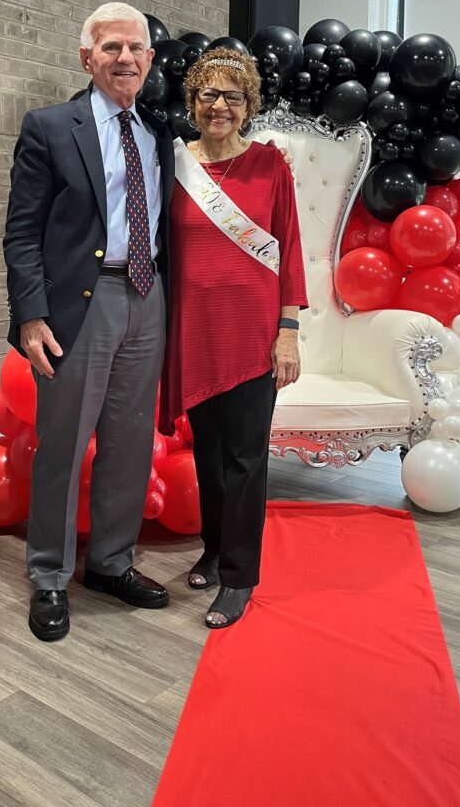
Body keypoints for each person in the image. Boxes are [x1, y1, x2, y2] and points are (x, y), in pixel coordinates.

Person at [3, 2, 173, 642]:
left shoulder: (158, 136)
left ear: (150, 60)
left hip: (146, 296)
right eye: (110, 49)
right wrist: (30, 315)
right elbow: (21, 233)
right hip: (78, 304)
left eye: (135, 48)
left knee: (130, 445)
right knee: (64, 445)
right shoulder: (50, 126)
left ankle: (110, 564)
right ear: (87, 58)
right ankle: (49, 576)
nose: (124, 58)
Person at [159, 47, 307, 629]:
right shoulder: (173, 165)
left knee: (246, 459)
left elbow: (290, 250)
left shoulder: (270, 167)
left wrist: (288, 331)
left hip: (253, 335)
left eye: (233, 96)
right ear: (193, 101)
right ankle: (215, 551)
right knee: (210, 455)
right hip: (193, 333)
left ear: (249, 106)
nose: (219, 105)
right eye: (208, 94)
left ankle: (240, 577)